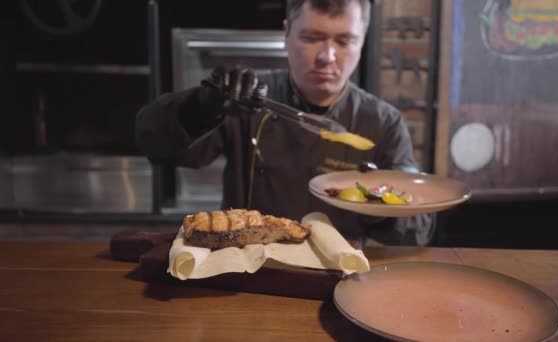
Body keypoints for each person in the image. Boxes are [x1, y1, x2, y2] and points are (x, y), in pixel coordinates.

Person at [136, 0, 431, 244]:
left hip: (338, 277)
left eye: (344, 41)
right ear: (287, 33)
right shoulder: (246, 100)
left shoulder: (382, 122)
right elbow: (155, 145)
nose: (327, 56)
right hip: (249, 269)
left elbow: (418, 231)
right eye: (312, 38)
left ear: (362, 40)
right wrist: (199, 107)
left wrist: (378, 203)